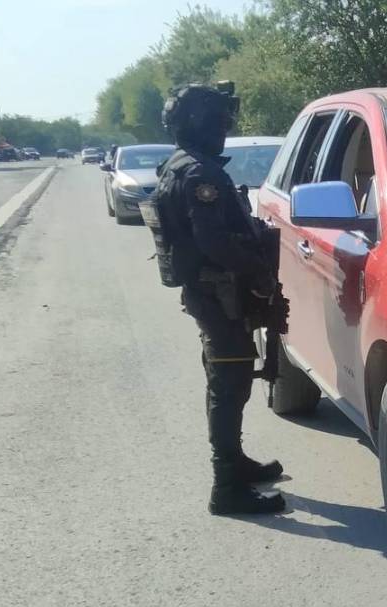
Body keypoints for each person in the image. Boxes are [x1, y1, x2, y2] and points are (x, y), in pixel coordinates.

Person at [155, 82, 287, 515]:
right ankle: (226, 486)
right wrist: (259, 273)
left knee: (231, 382)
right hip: (220, 295)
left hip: (213, 294)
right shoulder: (200, 173)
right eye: (219, 119)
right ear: (201, 123)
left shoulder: (181, 166)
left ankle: (235, 464)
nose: (225, 127)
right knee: (229, 385)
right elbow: (214, 241)